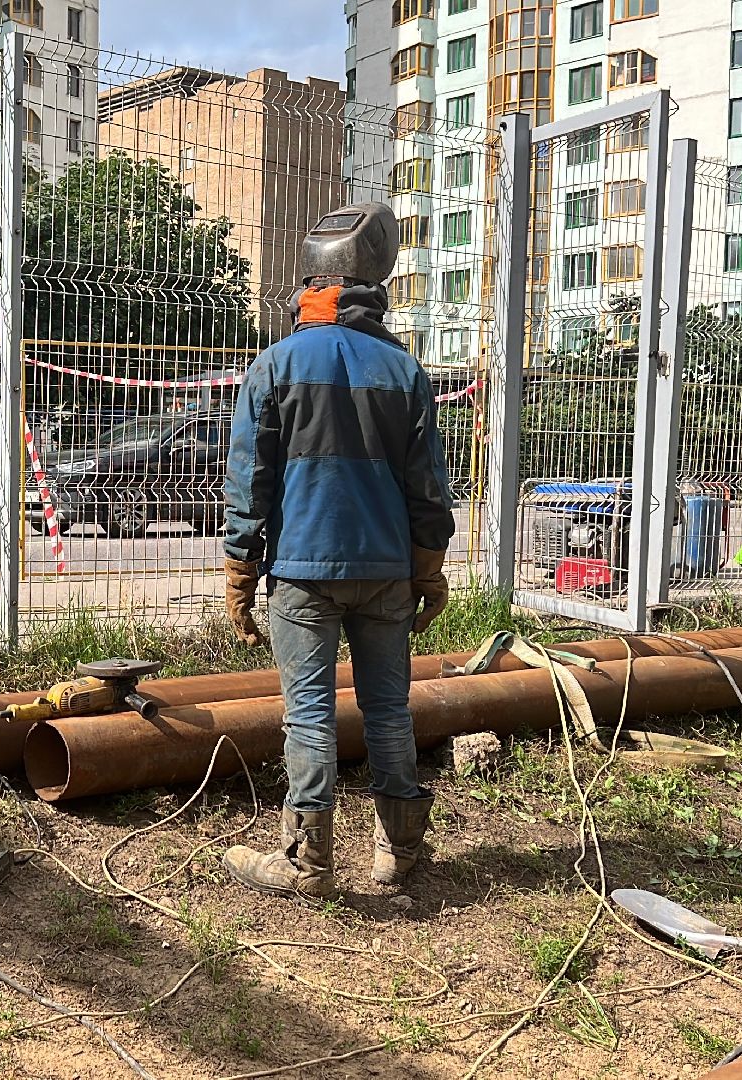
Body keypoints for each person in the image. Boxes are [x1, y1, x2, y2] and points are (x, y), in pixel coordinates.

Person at [220, 202, 456, 900]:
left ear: (310, 283)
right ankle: (399, 853)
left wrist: (240, 570)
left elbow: (250, 479)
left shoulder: (275, 365)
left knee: (310, 714)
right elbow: (428, 487)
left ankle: (309, 864)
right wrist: (429, 570)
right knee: (388, 710)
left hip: (302, 573)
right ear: (375, 284)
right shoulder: (404, 371)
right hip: (387, 574)